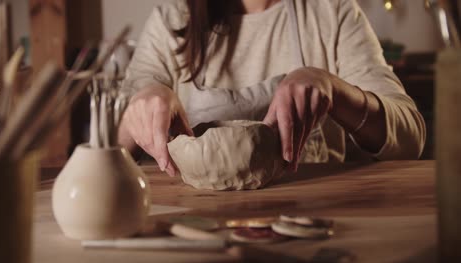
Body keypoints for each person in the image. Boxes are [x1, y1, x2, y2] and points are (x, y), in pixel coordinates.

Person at [119, 0, 426, 177]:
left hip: (316, 220)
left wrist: (333, 89)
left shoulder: (331, 11)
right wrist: (144, 100)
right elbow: (112, 145)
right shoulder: (173, 18)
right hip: (201, 226)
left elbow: (410, 139)